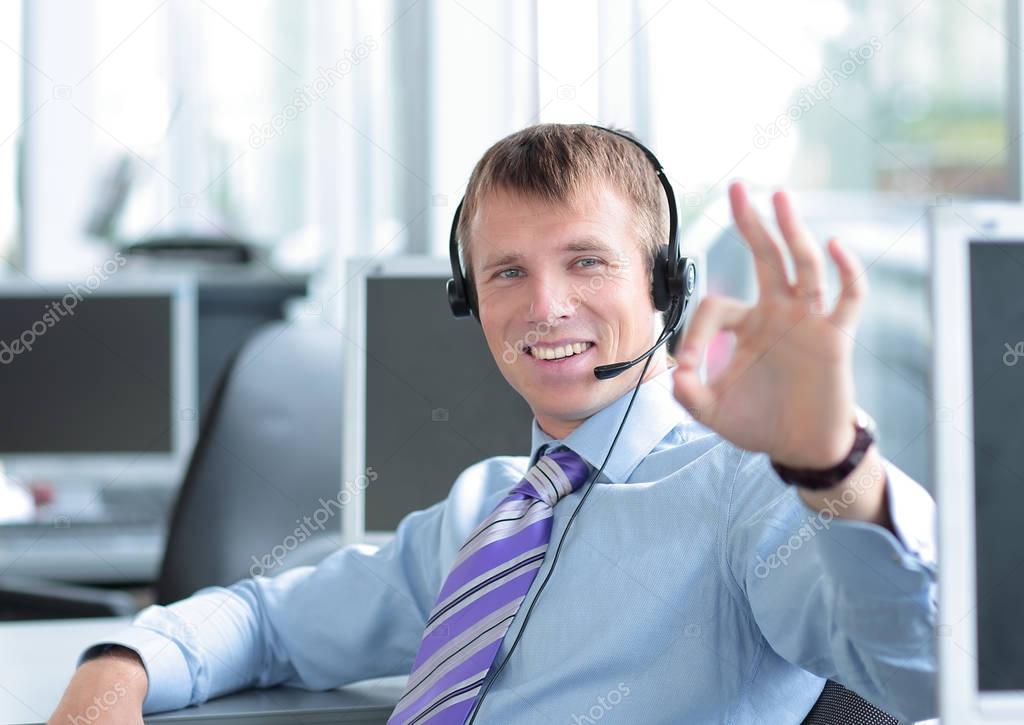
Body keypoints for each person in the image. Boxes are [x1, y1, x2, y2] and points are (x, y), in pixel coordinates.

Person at [49, 124, 936, 724]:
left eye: (586, 261)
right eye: (507, 272)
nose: (546, 307)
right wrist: (114, 667)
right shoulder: (485, 513)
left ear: (666, 285)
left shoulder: (746, 490)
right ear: (467, 299)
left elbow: (925, 667)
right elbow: (269, 622)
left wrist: (831, 466)